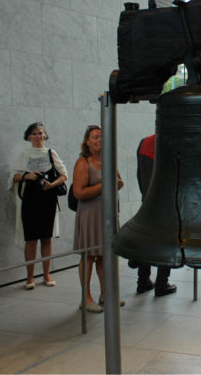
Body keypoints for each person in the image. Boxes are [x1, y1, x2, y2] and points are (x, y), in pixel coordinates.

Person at [9, 122, 67, 289]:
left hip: (47, 199)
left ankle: (47, 274)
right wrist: (27, 176)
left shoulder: (50, 153)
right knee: (31, 239)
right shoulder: (24, 154)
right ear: (28, 137)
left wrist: (51, 184)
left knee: (46, 238)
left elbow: (63, 175)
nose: (38, 136)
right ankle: (30, 277)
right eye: (34, 133)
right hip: (30, 201)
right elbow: (13, 177)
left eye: (40, 133)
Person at [72, 125, 124, 313]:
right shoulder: (82, 163)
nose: (99, 140)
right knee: (89, 256)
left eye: (102, 137)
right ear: (87, 141)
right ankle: (85, 298)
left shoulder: (108, 159)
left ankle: (105, 295)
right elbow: (79, 192)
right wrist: (104, 185)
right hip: (90, 215)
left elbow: (119, 182)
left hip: (107, 214)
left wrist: (116, 184)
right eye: (95, 137)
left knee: (104, 255)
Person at [134, 134, 177, 297]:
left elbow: (140, 175)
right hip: (168, 204)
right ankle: (162, 283)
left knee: (147, 240)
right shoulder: (174, 142)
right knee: (166, 242)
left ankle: (143, 281)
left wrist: (146, 197)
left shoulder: (144, 142)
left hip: (148, 202)